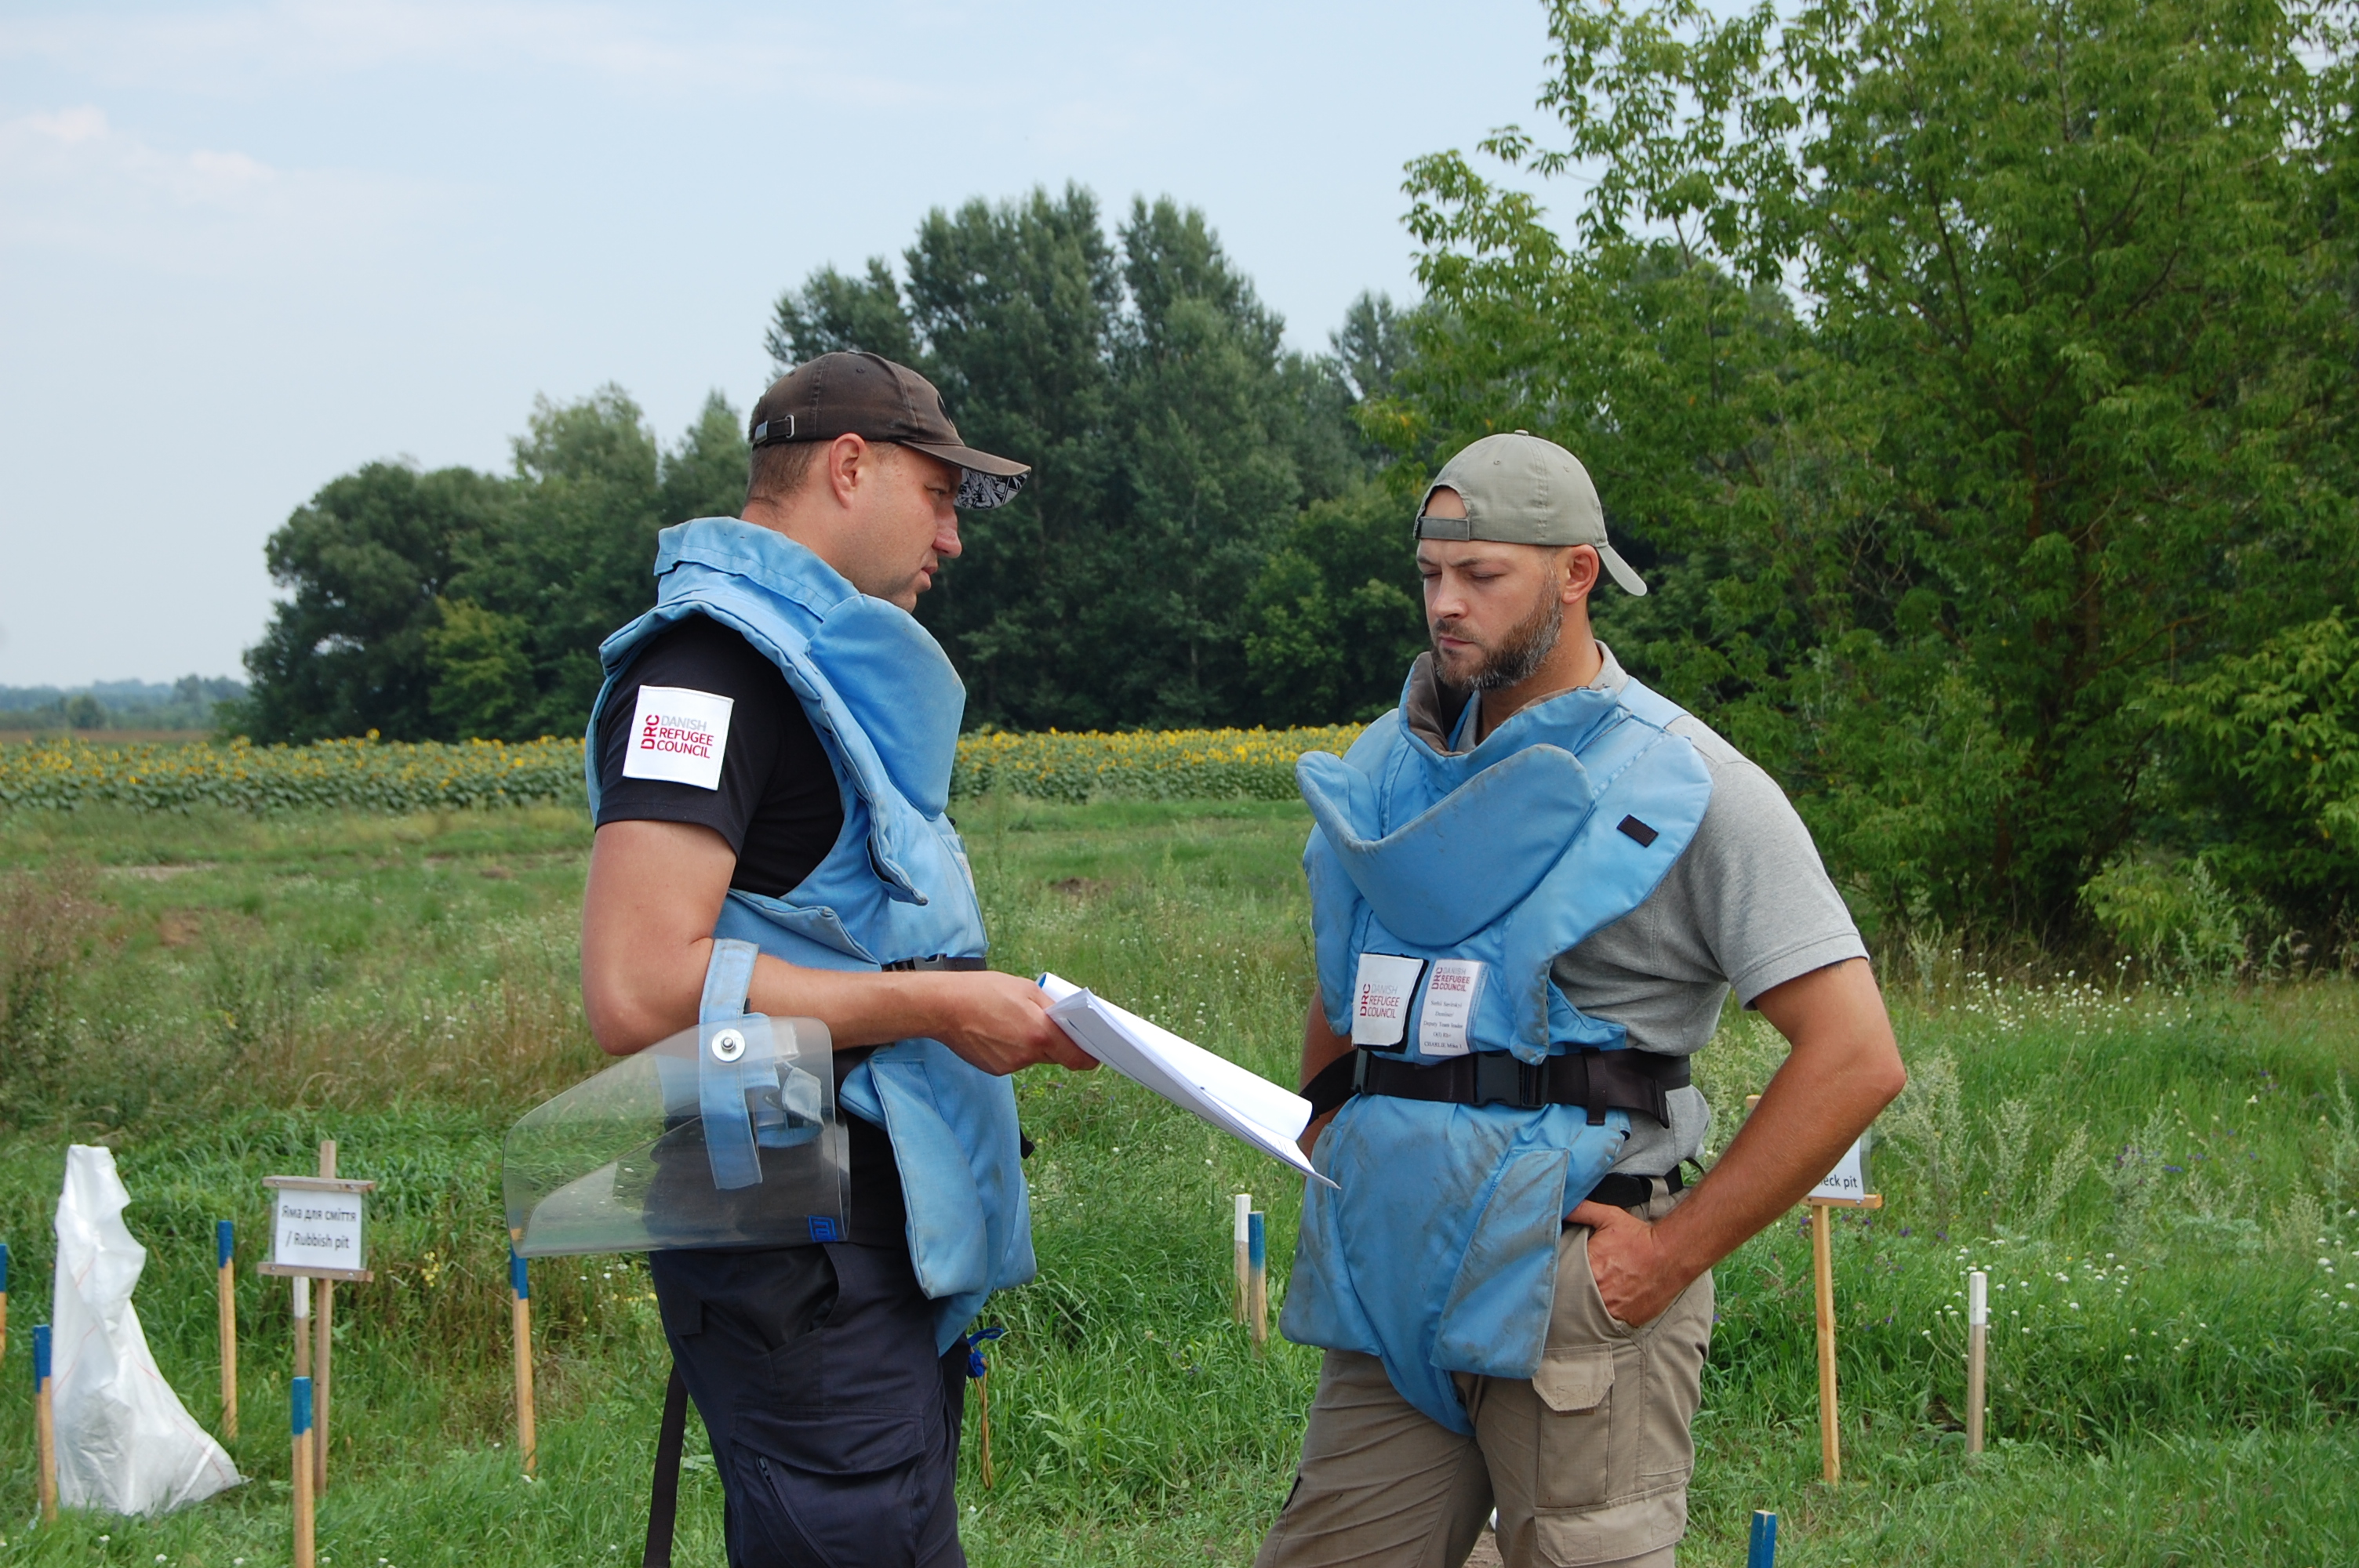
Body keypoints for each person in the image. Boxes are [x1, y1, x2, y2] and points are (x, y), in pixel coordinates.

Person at [1259, 432, 1907, 1568]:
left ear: (1577, 575)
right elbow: (1347, 989)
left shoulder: (1695, 786)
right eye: (1429, 577)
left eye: (1481, 576)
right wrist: (1324, 1133)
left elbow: (1855, 1055)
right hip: (1387, 1276)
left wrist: (1669, 1257)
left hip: (1574, 1293)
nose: (1445, 606)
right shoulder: (1385, 770)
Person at [577, 350, 1096, 1568]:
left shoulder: (815, 673)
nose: (953, 538)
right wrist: (928, 1008)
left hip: (855, 1223)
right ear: (850, 467)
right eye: (941, 495)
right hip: (789, 1226)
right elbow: (638, 986)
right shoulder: (703, 672)